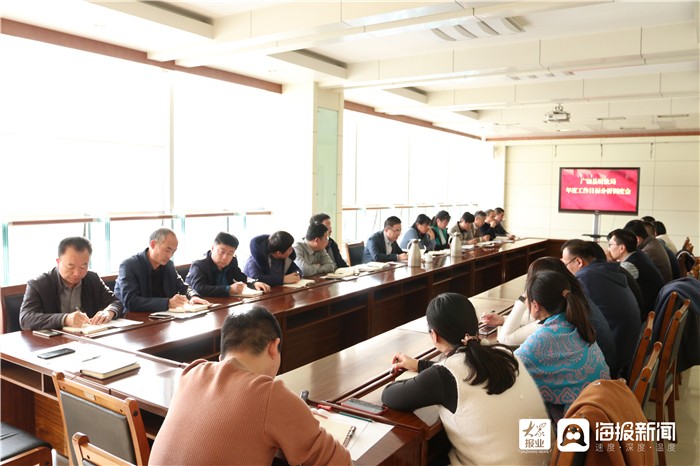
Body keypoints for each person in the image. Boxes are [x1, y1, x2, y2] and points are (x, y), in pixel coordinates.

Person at [149, 306, 351, 465]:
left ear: (222, 353)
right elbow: (337, 462)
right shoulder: (270, 394)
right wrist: (301, 418)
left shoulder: (191, 373)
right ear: (274, 347)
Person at [382, 293, 549, 466]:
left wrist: (426, 372)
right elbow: (465, 371)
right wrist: (420, 365)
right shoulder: (504, 353)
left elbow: (390, 396)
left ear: (434, 335)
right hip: (546, 460)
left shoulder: (444, 376)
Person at [482, 257, 618, 377]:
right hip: (602, 385)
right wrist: (504, 320)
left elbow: (507, 344)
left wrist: (523, 297)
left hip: (584, 399)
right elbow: (536, 319)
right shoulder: (572, 302)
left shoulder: (551, 331)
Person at [514, 271, 610, 422]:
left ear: (535, 305)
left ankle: (537, 446)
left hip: (574, 430)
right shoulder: (576, 322)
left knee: (518, 402)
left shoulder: (542, 339)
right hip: (602, 410)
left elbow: (511, 368)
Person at [561, 239, 640, 378]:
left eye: (565, 264)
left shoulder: (584, 277)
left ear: (579, 262)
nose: (565, 270)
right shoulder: (606, 269)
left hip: (613, 362)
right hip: (628, 350)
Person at [19, 237, 123, 330]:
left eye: (83, 266)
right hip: (52, 343)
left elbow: (115, 302)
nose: (77, 273)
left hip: (89, 339)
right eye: (70, 266)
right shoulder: (38, 284)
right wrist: (65, 319)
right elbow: (26, 319)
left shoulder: (92, 279)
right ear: (58, 262)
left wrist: (109, 312)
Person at [115, 228, 209, 312]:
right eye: (167, 250)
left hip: (163, 317)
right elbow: (131, 301)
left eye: (173, 251)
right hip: (135, 321)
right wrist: (167, 303)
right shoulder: (129, 265)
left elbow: (183, 287)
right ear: (152, 244)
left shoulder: (168, 265)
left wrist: (193, 296)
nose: (170, 256)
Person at [186, 232, 270, 297]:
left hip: (224, 304)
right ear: (212, 248)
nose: (225, 257)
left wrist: (254, 283)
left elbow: (241, 277)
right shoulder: (199, 264)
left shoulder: (232, 261)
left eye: (230, 253)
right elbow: (199, 288)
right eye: (222, 252)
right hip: (200, 306)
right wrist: (228, 289)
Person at [607, 229, 664, 320]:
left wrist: (606, 262)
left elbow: (611, 287)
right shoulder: (638, 255)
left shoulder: (630, 265)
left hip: (646, 314)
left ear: (622, 248)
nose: (608, 249)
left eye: (610, 245)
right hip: (652, 308)